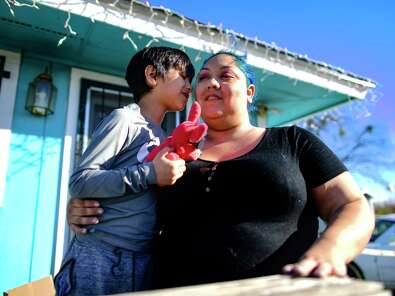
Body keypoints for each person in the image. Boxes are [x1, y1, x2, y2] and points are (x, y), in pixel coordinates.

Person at [68, 51, 375, 289]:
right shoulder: (172, 155)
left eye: (225, 75)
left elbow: (351, 204)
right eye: (202, 77)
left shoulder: (293, 141)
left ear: (250, 92)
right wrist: (83, 207)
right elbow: (131, 197)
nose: (211, 82)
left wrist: (332, 250)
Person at [54, 46, 194, 295]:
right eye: (183, 75)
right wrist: (150, 173)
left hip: (141, 258)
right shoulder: (124, 120)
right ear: (152, 75)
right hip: (101, 252)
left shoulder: (161, 136)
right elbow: (81, 180)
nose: (189, 85)